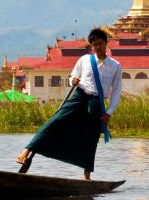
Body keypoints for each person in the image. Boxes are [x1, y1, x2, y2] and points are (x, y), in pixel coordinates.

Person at [17, 28, 122, 180]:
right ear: (91, 46)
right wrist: (72, 80)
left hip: (96, 102)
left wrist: (109, 112)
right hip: (79, 96)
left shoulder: (115, 66)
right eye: (95, 44)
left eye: (100, 43)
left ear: (106, 43)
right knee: (54, 122)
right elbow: (73, 75)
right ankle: (26, 151)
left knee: (91, 138)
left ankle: (86, 176)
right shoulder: (85, 59)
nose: (98, 47)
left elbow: (117, 91)